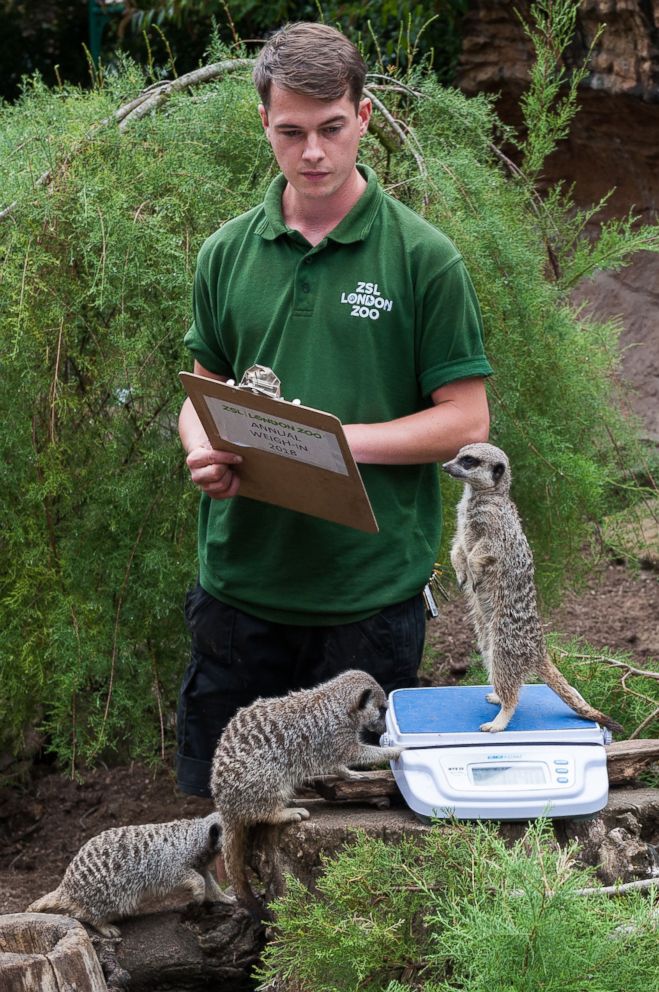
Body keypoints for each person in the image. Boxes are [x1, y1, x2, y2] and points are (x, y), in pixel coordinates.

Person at [176, 22, 492, 797]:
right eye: (290, 132)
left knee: (349, 827)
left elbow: (464, 422)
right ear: (264, 125)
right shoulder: (225, 252)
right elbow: (200, 387)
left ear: (365, 117)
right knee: (230, 808)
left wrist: (331, 442)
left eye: (330, 129)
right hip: (239, 590)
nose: (312, 152)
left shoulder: (421, 258)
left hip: (364, 601)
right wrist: (200, 448)